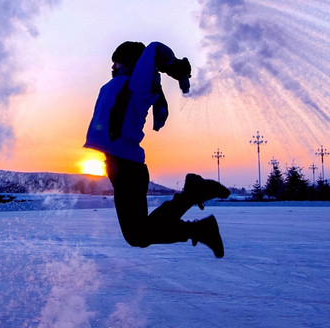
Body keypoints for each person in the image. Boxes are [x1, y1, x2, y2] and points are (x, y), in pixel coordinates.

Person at [84, 41, 229, 257]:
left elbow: (153, 48)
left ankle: (194, 208)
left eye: (117, 62)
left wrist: (176, 68)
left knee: (138, 235)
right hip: (119, 165)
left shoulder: (138, 85)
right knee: (139, 233)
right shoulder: (120, 84)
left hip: (128, 168)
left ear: (133, 64)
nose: (113, 67)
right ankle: (196, 214)